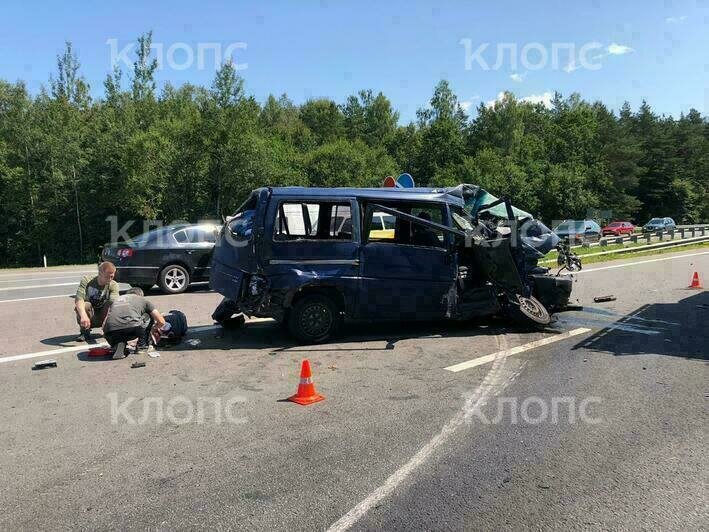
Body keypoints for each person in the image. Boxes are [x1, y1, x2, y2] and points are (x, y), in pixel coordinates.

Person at [102, 287, 166, 360]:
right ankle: (142, 346)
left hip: (110, 332)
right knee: (149, 316)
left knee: (117, 326)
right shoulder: (142, 300)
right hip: (132, 328)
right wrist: (153, 328)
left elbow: (104, 325)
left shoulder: (116, 300)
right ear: (140, 295)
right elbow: (161, 321)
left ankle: (118, 344)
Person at [75, 262, 120, 341]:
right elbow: (79, 299)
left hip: (103, 316)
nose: (109, 279)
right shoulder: (87, 281)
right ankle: (85, 331)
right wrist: (83, 316)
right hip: (89, 315)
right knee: (85, 305)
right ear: (99, 273)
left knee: (111, 304)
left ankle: (109, 330)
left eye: (112, 277)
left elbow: (114, 304)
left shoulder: (113, 285)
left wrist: (108, 323)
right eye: (107, 277)